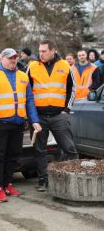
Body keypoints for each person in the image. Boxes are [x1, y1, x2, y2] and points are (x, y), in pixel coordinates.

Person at [0, 48, 41, 202]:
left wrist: (34, 120)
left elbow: (29, 100)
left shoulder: (23, 76)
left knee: (13, 156)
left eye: (15, 58)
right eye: (9, 58)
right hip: (0, 123)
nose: (13, 60)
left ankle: (8, 184)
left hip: (18, 123)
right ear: (2, 59)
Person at [27, 39, 78, 192]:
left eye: (44, 51)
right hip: (38, 117)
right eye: (40, 51)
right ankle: (43, 180)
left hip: (58, 116)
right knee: (39, 150)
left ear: (53, 50)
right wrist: (31, 115)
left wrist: (66, 111)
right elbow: (27, 91)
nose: (40, 54)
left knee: (69, 149)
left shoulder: (65, 66)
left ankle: (72, 179)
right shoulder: (32, 66)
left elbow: (72, 89)